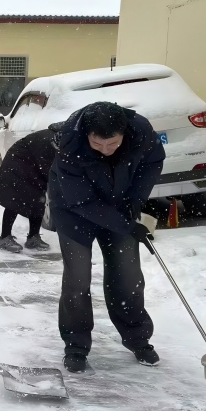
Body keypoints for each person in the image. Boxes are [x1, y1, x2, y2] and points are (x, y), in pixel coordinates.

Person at [49, 101, 165, 374]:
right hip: (73, 211)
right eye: (97, 144)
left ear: (123, 132)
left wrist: (136, 200)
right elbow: (81, 202)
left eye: (112, 144)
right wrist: (126, 225)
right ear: (87, 134)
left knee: (128, 276)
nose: (105, 150)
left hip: (119, 206)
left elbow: (153, 161)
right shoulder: (69, 144)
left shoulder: (140, 131)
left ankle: (138, 338)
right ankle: (76, 345)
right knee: (78, 279)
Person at [0, 129, 58, 253]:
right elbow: (49, 169)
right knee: (15, 200)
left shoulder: (61, 138)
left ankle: (33, 237)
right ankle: (4, 238)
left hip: (33, 165)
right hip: (17, 163)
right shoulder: (49, 140)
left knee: (38, 200)